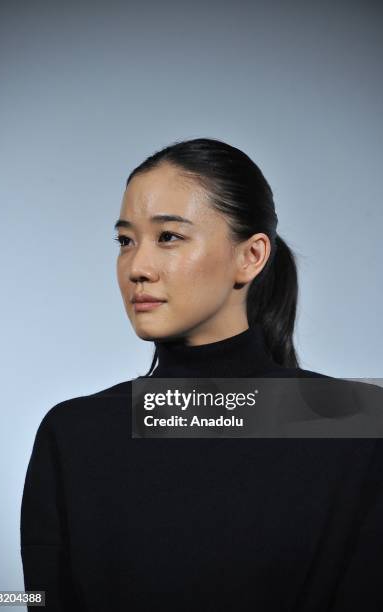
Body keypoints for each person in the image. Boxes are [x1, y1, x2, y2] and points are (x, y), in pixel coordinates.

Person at [20, 138, 383, 611]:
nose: (137, 267)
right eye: (125, 241)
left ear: (251, 256)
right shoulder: (73, 434)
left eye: (168, 236)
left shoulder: (357, 424)